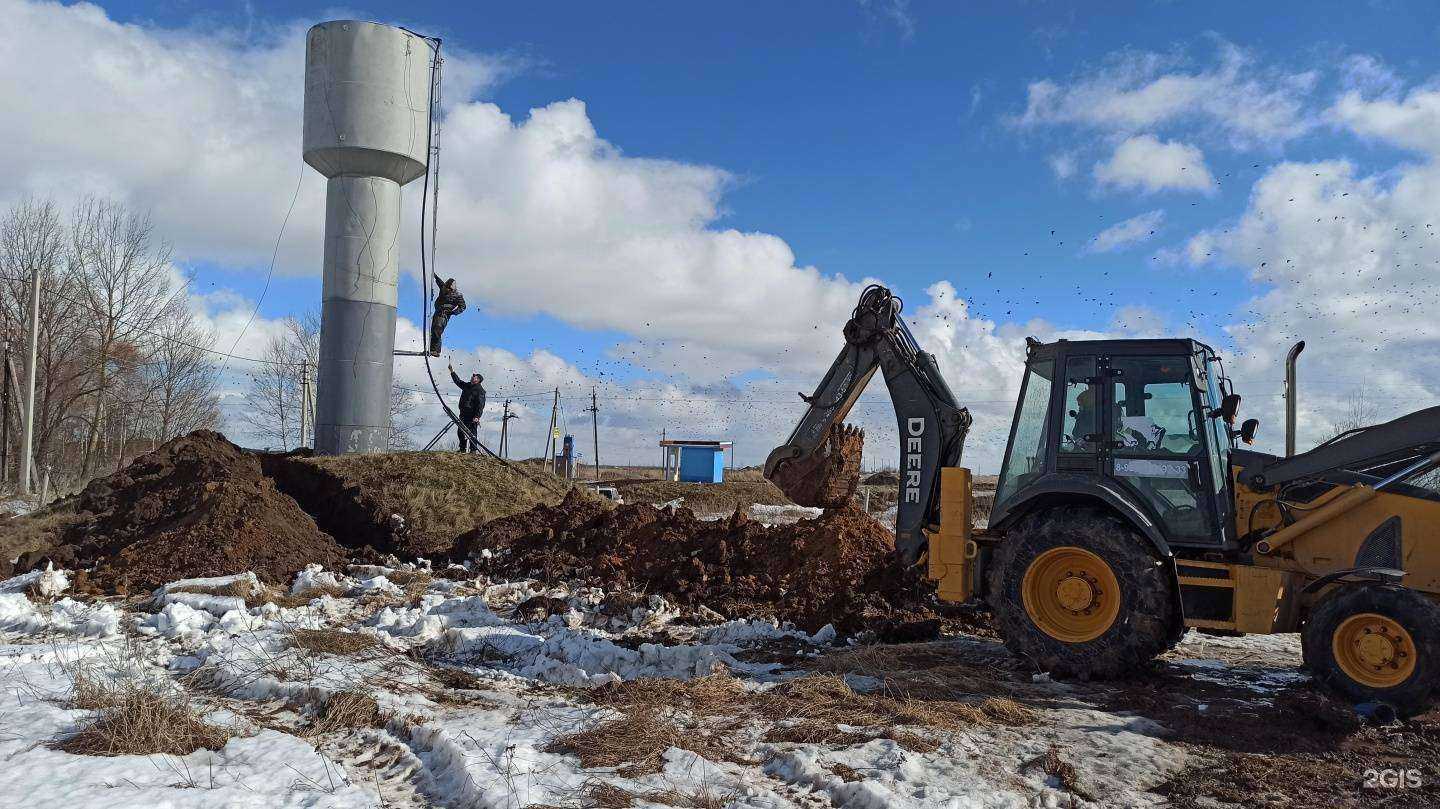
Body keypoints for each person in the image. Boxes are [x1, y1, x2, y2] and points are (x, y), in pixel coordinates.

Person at [449, 362, 486, 453]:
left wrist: (477, 417)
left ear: (478, 380)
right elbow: (458, 382)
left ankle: (473, 451)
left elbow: (480, 405)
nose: (473, 377)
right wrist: (452, 371)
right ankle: (462, 449)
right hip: (463, 413)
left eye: (475, 376)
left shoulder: (480, 391)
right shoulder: (467, 386)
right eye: (473, 376)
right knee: (461, 432)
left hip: (472, 416)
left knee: (472, 434)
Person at [429, 274, 466, 356]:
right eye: (453, 284)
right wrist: (435, 276)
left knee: (437, 330)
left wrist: (453, 312)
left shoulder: (458, 295)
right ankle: (432, 349)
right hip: (438, 312)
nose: (454, 286)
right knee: (434, 330)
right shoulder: (444, 290)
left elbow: (463, 307)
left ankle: (435, 350)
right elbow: (440, 283)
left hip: (444, 314)